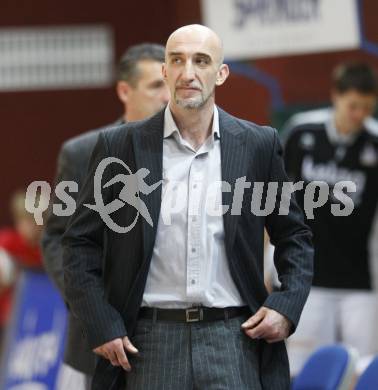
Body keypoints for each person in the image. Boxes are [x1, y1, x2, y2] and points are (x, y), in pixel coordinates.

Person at [62, 25, 313, 389]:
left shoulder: (258, 144)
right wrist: (101, 322)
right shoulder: (120, 146)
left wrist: (286, 305)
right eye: (177, 60)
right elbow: (79, 244)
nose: (188, 72)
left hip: (235, 337)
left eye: (201, 60)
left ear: (221, 73)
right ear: (165, 71)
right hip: (148, 342)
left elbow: (294, 236)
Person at [41, 43, 169, 389]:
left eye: (171, 83)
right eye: (156, 86)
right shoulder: (83, 152)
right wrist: (87, 305)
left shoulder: (192, 150)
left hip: (172, 328)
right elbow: (56, 237)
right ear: (125, 91)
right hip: (101, 333)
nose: (167, 96)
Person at [283, 62, 378, 376]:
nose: (358, 114)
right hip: (307, 276)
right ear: (335, 96)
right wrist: (271, 260)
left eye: (366, 107)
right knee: (305, 367)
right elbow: (277, 197)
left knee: (363, 368)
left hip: (361, 280)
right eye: (353, 105)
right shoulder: (301, 132)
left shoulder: (374, 142)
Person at [0, 190, 44, 350]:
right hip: (6, 319)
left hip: (34, 323)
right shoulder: (7, 242)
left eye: (34, 221)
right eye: (24, 220)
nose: (30, 226)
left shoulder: (46, 251)